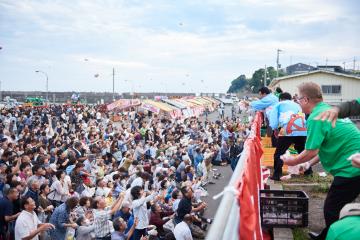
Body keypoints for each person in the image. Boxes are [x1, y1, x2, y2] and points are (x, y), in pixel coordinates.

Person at [281, 82, 360, 240]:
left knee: (332, 209)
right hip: (354, 163)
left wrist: (292, 161)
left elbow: (311, 150)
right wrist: (307, 164)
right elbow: (322, 147)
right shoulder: (326, 110)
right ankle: (327, 235)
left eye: (298, 99)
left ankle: (335, 236)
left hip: (350, 168)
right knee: (338, 206)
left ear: (305, 100)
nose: (297, 103)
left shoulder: (316, 117)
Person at [268, 92, 311, 180]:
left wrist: (275, 129)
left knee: (279, 153)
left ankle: (277, 175)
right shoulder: (298, 105)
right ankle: (308, 171)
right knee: (302, 150)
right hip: (302, 129)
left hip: (288, 129)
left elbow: (273, 119)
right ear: (290, 98)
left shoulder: (278, 104)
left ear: (280, 99)